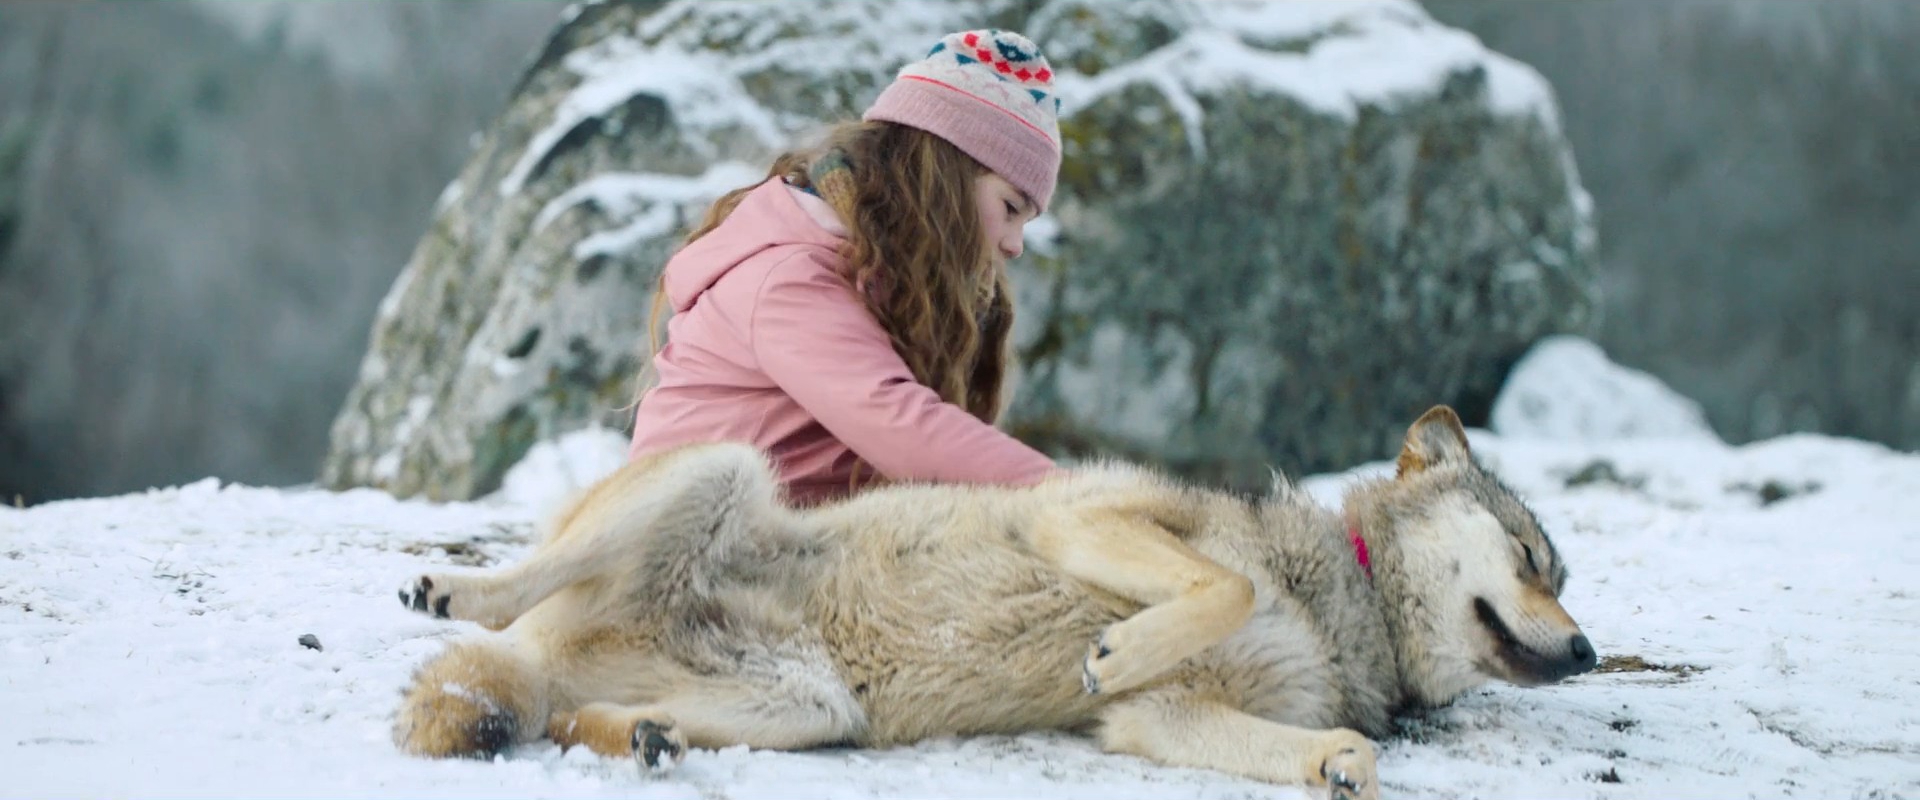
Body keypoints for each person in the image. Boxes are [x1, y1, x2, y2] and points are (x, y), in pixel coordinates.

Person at [626, 29, 1064, 506]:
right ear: (949, 181)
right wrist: (1084, 498)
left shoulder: (875, 274)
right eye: (1011, 208)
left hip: (777, 545)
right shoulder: (786, 276)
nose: (1015, 245)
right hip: (697, 555)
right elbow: (903, 427)